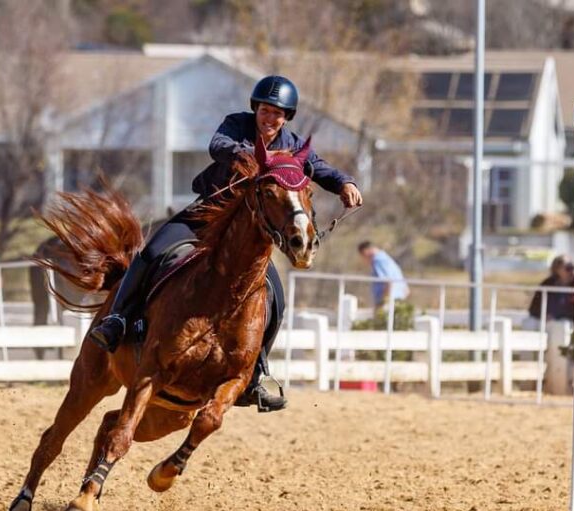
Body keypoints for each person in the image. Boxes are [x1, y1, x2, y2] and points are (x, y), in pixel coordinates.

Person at [89, 75, 363, 412]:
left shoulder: (292, 145)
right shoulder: (236, 125)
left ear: (287, 117)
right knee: (151, 253)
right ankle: (117, 320)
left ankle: (257, 373)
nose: (269, 118)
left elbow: (319, 167)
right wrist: (255, 154)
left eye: (277, 114)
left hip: (246, 236)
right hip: (205, 216)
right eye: (265, 110)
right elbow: (218, 146)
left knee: (275, 298)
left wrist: (345, 183)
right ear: (255, 109)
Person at [528, 255, 574, 322]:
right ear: (557, 269)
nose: (572, 271)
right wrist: (543, 315)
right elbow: (534, 307)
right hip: (546, 319)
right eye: (568, 268)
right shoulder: (547, 284)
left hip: (567, 320)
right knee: (529, 322)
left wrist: (559, 316)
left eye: (573, 267)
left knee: (562, 325)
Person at [357, 241, 408, 309]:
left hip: (388, 300)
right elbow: (406, 289)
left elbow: (388, 282)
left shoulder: (378, 260)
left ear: (366, 251)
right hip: (396, 298)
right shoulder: (385, 258)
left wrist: (384, 301)